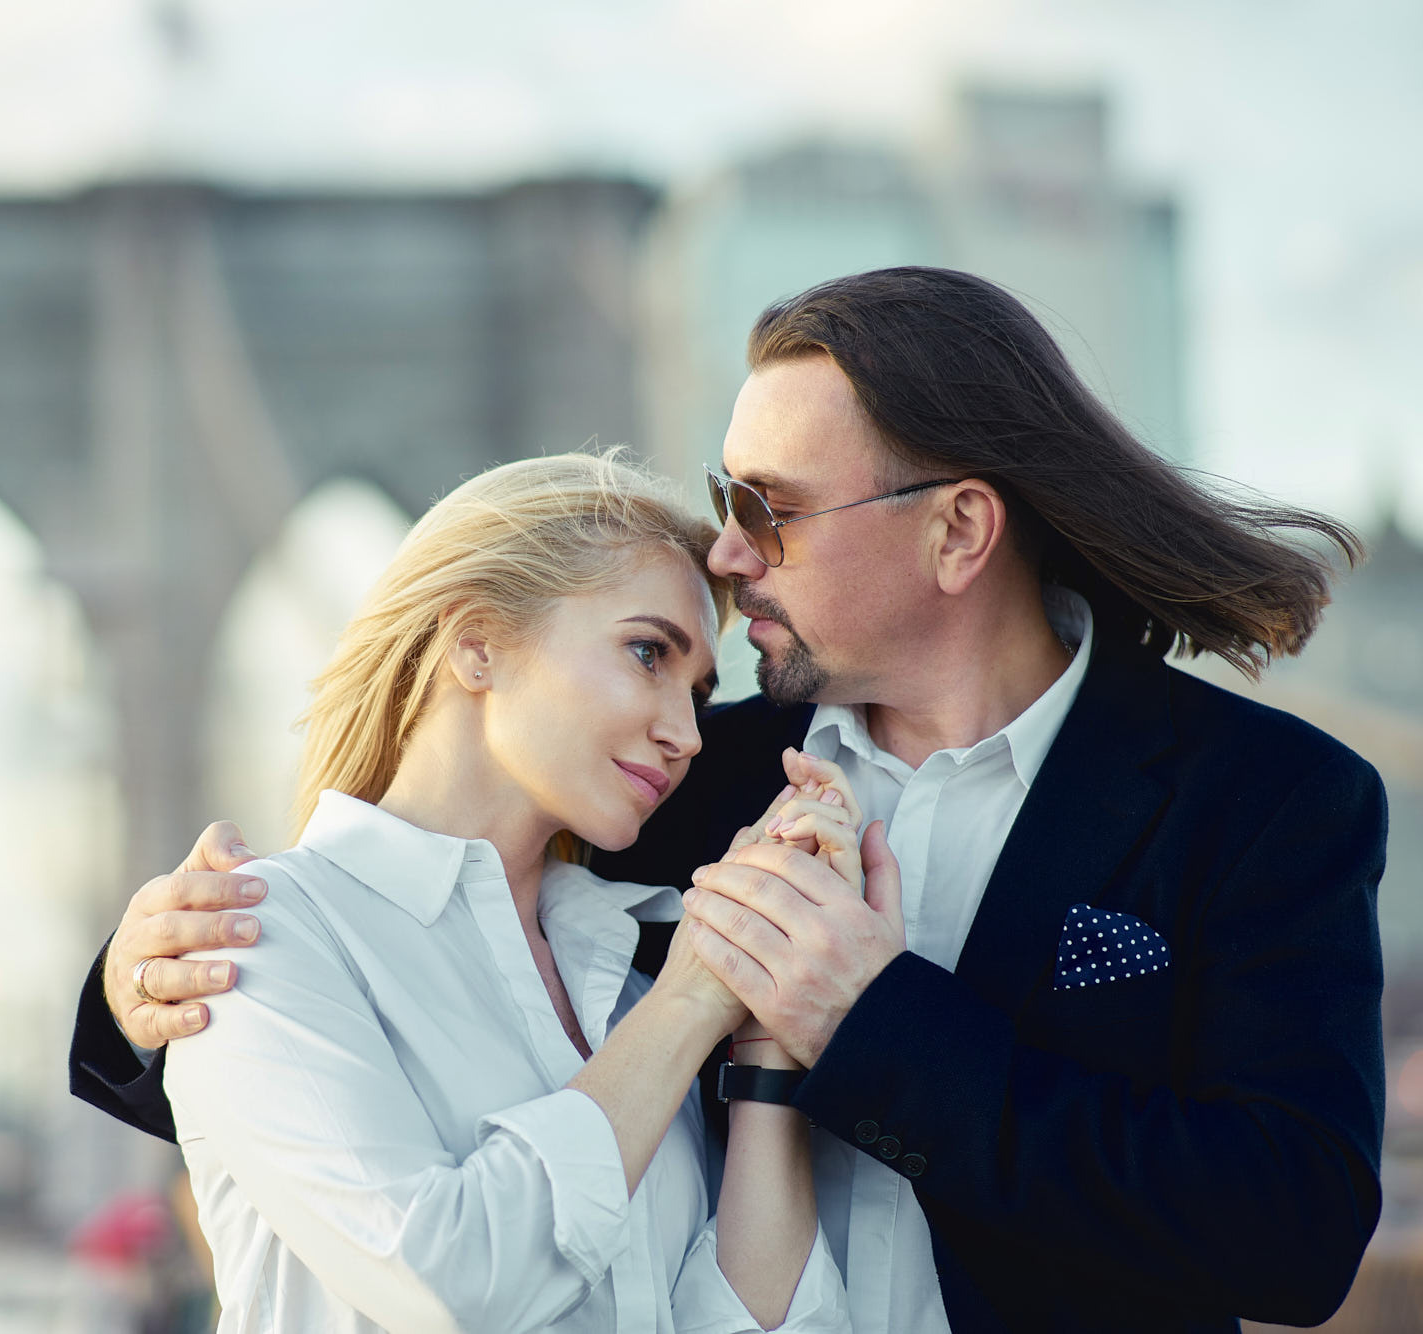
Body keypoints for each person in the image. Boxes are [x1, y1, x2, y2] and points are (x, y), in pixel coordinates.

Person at [71, 267, 1388, 1333]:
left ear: (959, 531)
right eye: (724, 500)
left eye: (770, 507)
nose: (725, 553)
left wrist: (876, 1023)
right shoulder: (680, 781)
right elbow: (398, 991)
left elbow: (1294, 1233)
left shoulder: (1266, 799)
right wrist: (137, 996)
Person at [152, 451, 853, 1331]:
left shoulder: (625, 979)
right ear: (476, 643)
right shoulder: (258, 938)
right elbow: (448, 1284)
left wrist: (766, 1049)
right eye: (646, 654)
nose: (687, 734)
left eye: (700, 693)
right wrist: (694, 997)